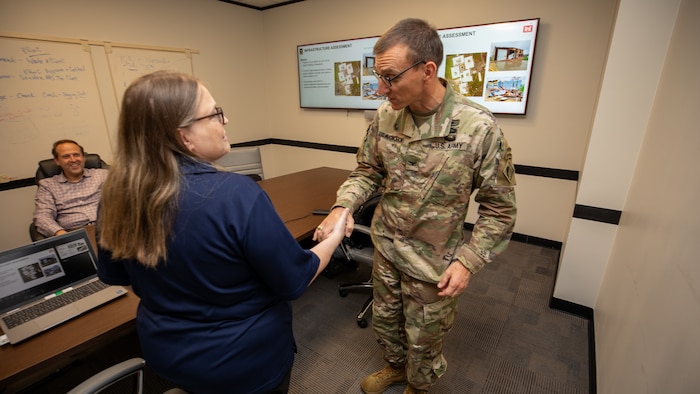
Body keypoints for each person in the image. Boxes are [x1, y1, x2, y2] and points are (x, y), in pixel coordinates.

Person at [96, 70, 349, 394]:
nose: (226, 120)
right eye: (215, 113)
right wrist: (335, 235)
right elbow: (296, 279)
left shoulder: (115, 195)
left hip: (167, 355)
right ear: (183, 136)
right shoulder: (236, 194)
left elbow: (116, 275)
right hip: (243, 363)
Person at [314, 18, 517, 394]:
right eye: (378, 77)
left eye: (389, 77)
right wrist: (342, 206)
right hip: (387, 246)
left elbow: (499, 210)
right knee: (387, 322)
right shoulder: (386, 116)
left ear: (428, 71)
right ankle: (394, 367)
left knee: (424, 337)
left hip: (434, 261)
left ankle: (420, 386)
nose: (380, 89)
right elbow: (368, 171)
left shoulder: (478, 128)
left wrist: (468, 261)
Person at [33, 139, 108, 237]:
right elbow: (42, 216)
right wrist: (61, 234)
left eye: (76, 155)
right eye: (66, 156)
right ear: (57, 161)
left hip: (107, 229)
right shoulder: (48, 185)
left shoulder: (103, 175)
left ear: (83, 157)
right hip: (74, 234)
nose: (73, 160)